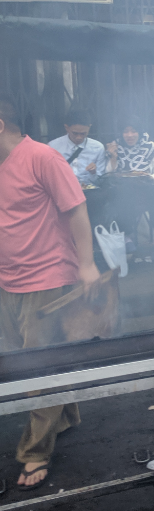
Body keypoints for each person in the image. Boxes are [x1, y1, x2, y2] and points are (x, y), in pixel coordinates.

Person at [0, 97, 100, 490]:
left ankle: (34, 452)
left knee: (39, 367)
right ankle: (67, 415)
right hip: (9, 278)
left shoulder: (43, 158)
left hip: (47, 277)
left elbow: (76, 209)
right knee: (31, 357)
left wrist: (87, 265)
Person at [105, 117, 154, 253]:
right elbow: (108, 174)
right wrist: (113, 157)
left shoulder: (150, 147)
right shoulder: (114, 146)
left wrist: (150, 177)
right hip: (122, 188)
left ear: (140, 132)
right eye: (125, 131)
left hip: (144, 185)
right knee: (124, 195)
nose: (129, 135)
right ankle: (127, 237)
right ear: (121, 133)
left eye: (133, 131)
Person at [49, 107, 111, 228]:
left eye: (83, 133)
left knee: (99, 199)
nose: (79, 137)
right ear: (67, 128)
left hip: (88, 191)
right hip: (63, 190)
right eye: (75, 133)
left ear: (89, 128)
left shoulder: (97, 147)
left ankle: (94, 236)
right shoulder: (53, 146)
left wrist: (94, 173)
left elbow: (100, 180)